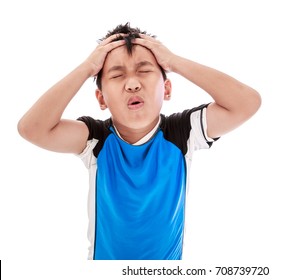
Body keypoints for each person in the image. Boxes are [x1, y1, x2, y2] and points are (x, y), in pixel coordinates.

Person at [17, 22, 261, 260]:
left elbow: (246, 103)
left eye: (144, 71)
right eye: (117, 75)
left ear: (166, 90)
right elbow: (32, 129)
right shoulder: (96, 140)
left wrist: (174, 61)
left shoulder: (182, 133)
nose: (133, 84)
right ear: (102, 99)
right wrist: (85, 68)